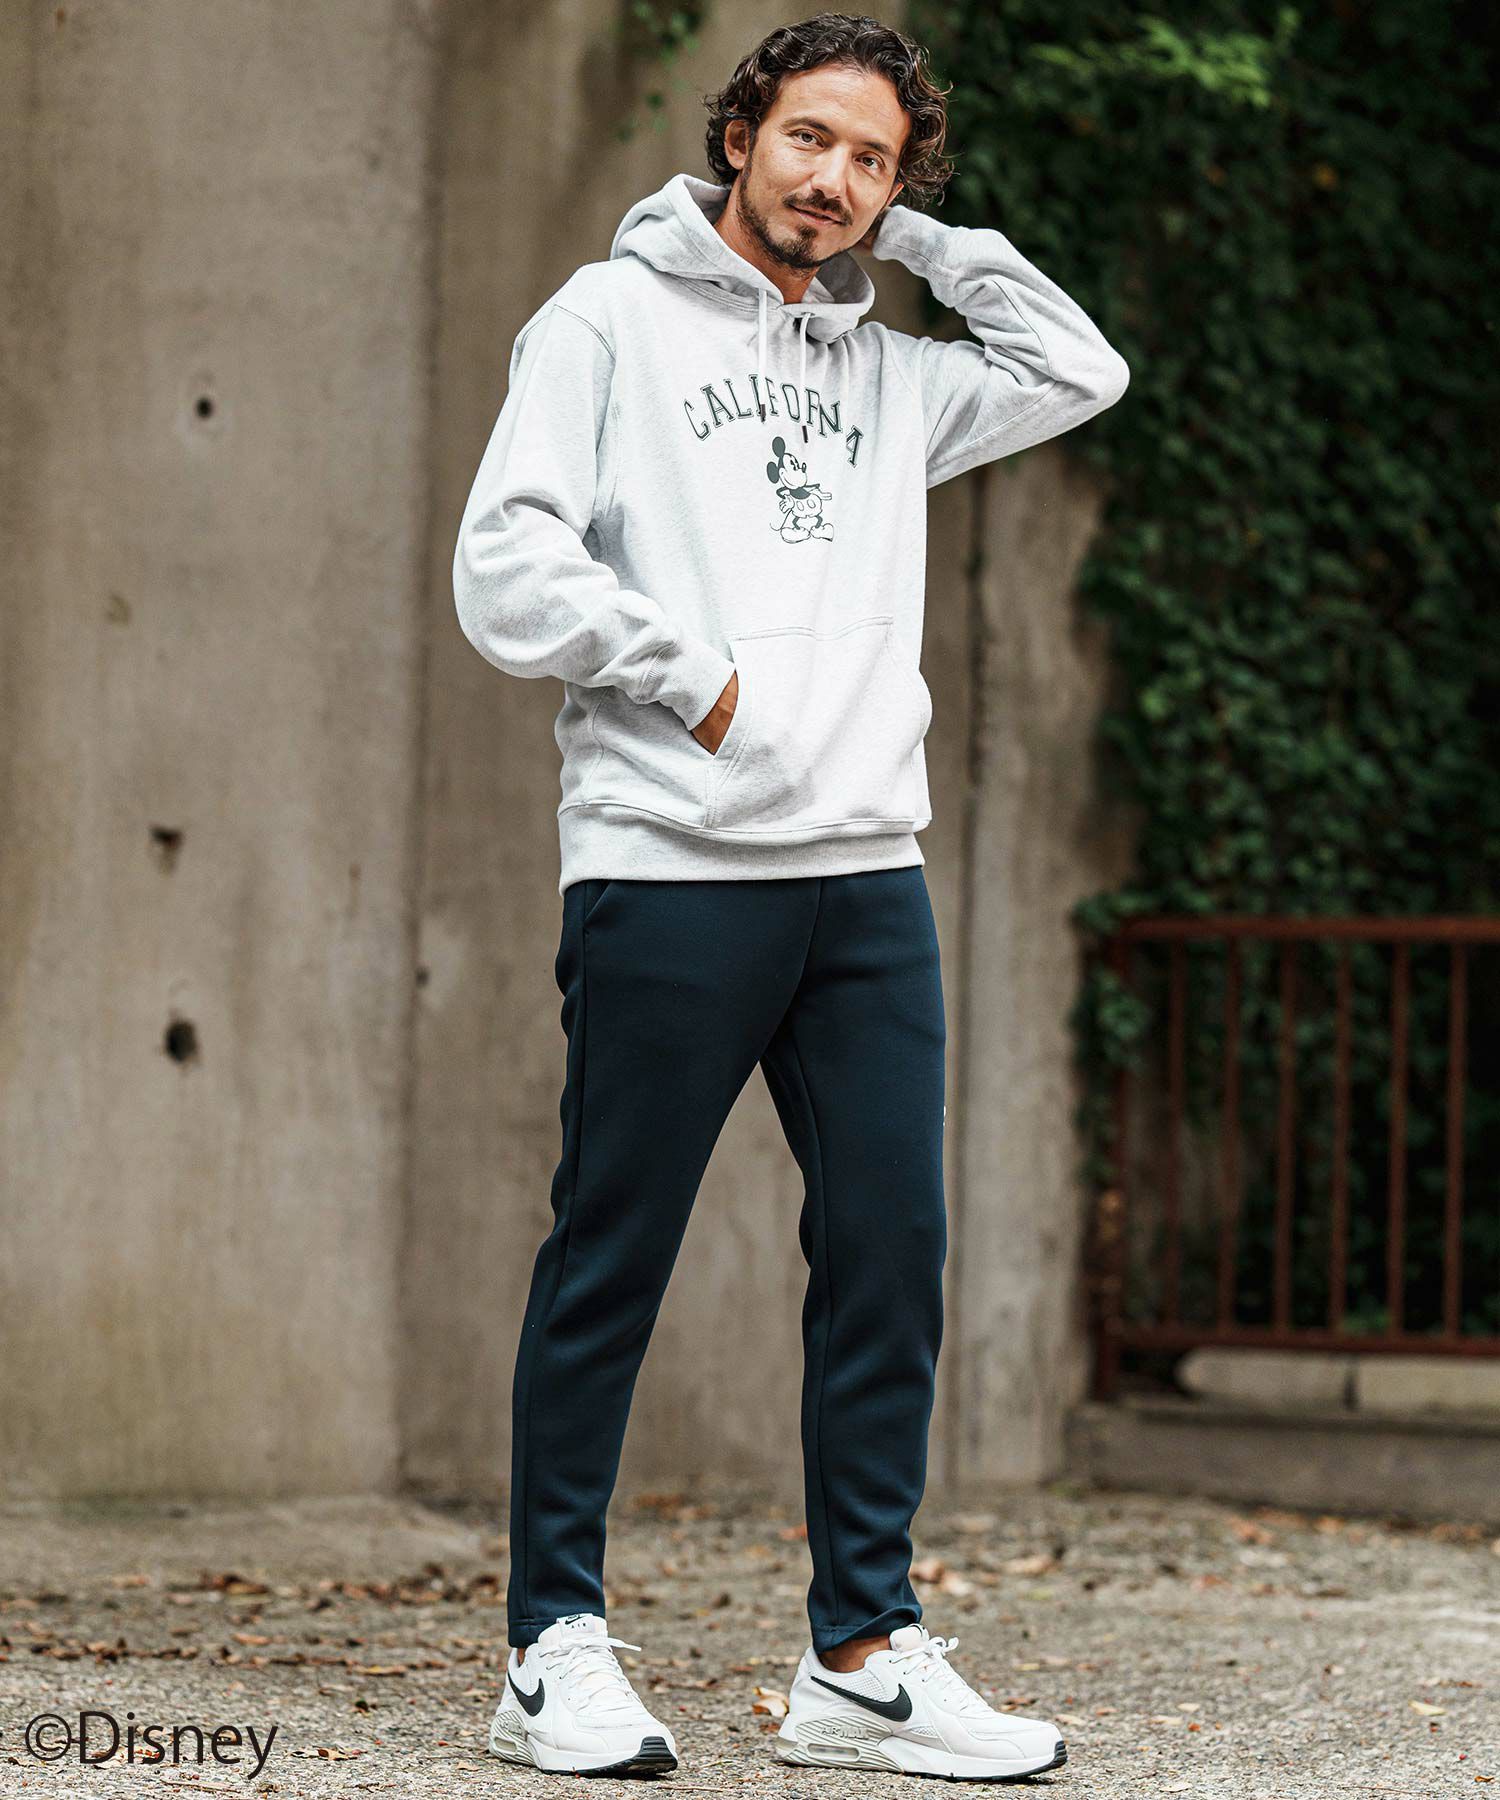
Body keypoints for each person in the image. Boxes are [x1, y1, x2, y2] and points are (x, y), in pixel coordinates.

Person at [452, 9, 1128, 1781]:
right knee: (615, 1254)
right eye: (810, 138)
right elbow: (504, 560)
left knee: (891, 1255)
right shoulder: (603, 321)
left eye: (873, 160)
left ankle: (863, 1655)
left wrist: (923, 248)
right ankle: (549, 1649)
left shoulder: (895, 376)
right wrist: (693, 679)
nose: (832, 179)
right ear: (741, 129)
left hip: (865, 876)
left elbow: (1080, 368)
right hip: (672, 862)